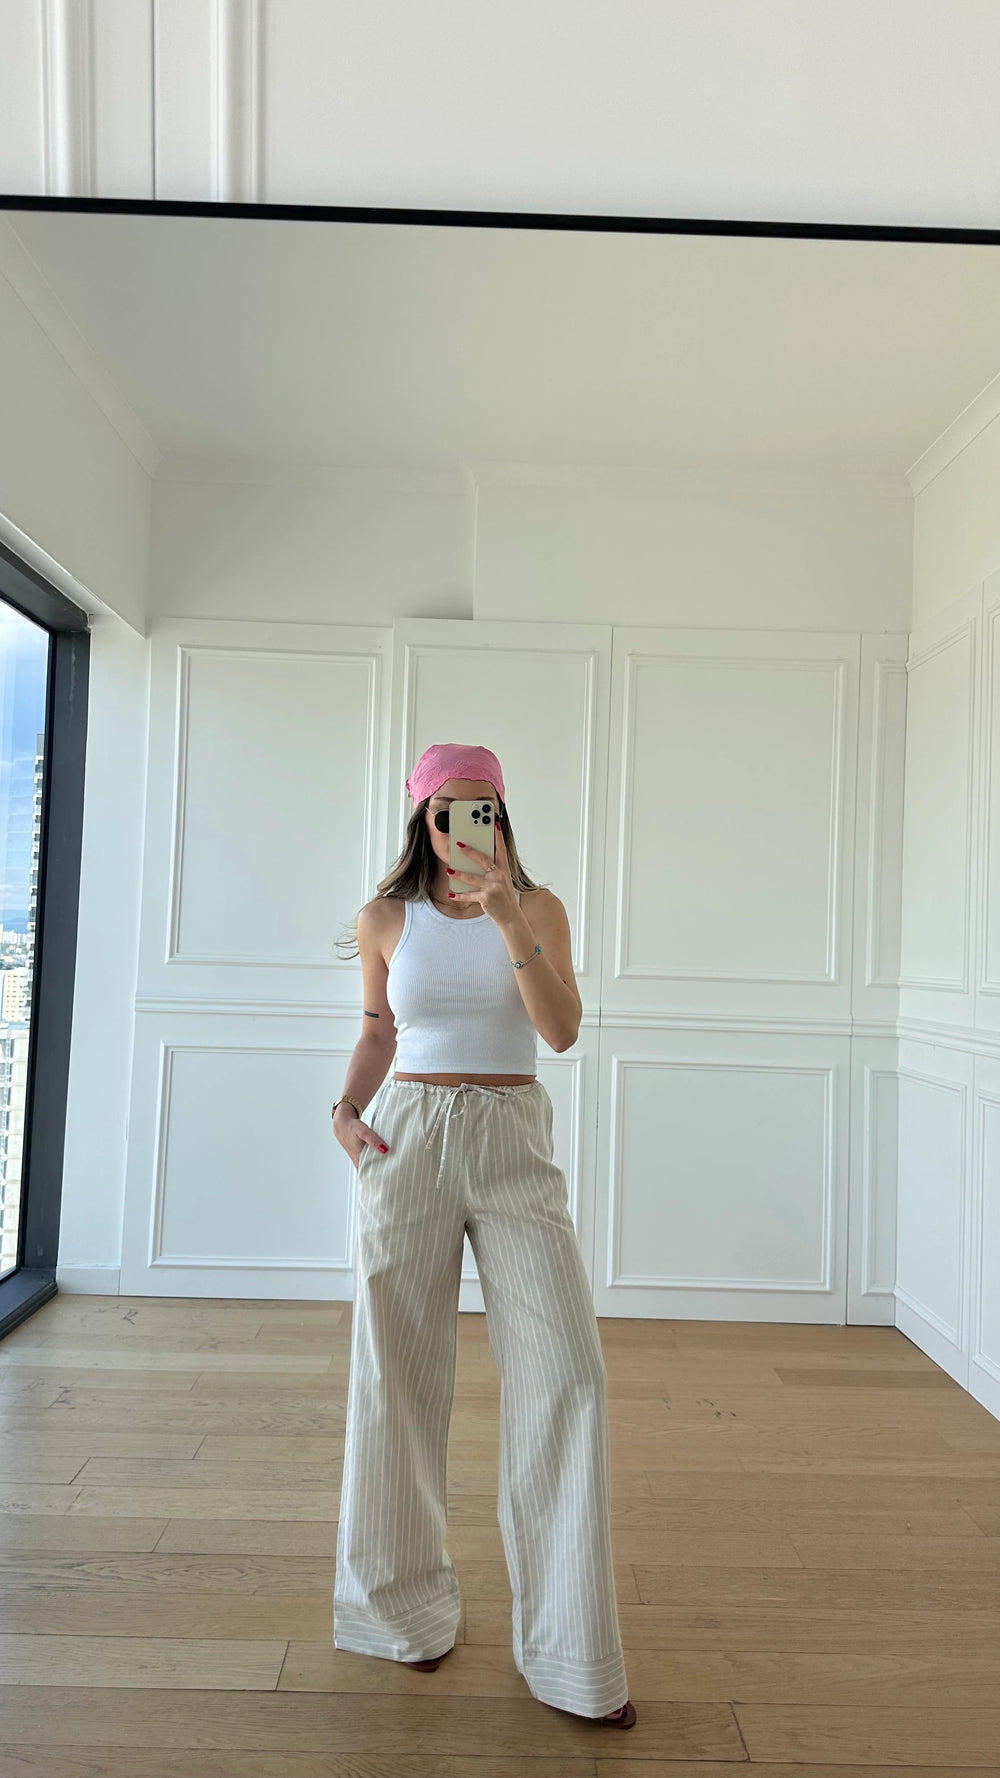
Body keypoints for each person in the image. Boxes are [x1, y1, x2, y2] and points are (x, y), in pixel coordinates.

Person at [331, 742, 636, 1729]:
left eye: (485, 810)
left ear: (502, 817)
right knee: (397, 1374)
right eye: (448, 811)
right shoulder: (386, 918)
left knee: (567, 1375)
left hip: (511, 1142)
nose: (468, 827)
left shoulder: (538, 908)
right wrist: (345, 1110)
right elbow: (378, 1031)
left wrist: (506, 918)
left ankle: (573, 1656)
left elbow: (560, 1031)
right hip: (407, 1139)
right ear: (422, 820)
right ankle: (401, 1615)